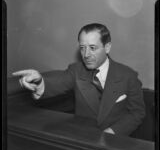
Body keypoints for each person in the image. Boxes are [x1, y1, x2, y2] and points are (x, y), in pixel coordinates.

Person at [12, 23, 145, 135]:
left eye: (93, 48)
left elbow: (136, 113)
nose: (86, 54)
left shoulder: (128, 76)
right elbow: (59, 81)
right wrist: (40, 81)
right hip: (84, 139)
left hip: (116, 142)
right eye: (82, 48)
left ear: (107, 47)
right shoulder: (76, 70)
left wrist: (112, 132)